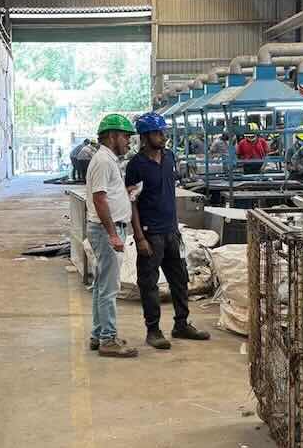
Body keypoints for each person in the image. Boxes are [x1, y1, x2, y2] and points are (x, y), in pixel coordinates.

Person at [127, 113, 210, 351]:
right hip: (150, 233)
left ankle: (181, 324)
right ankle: (153, 330)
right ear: (145, 137)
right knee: (149, 284)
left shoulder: (170, 157)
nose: (163, 137)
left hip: (171, 232)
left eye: (163, 132)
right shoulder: (136, 165)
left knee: (180, 279)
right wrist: (139, 237)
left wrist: (176, 229)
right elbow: (132, 202)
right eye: (157, 133)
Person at [85, 114, 138, 359]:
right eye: (125, 137)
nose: (128, 141)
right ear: (112, 136)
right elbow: (99, 198)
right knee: (108, 288)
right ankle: (108, 339)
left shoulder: (107, 159)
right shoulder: (103, 161)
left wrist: (123, 194)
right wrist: (112, 234)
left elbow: (106, 194)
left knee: (101, 285)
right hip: (107, 230)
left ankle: (99, 334)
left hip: (109, 228)